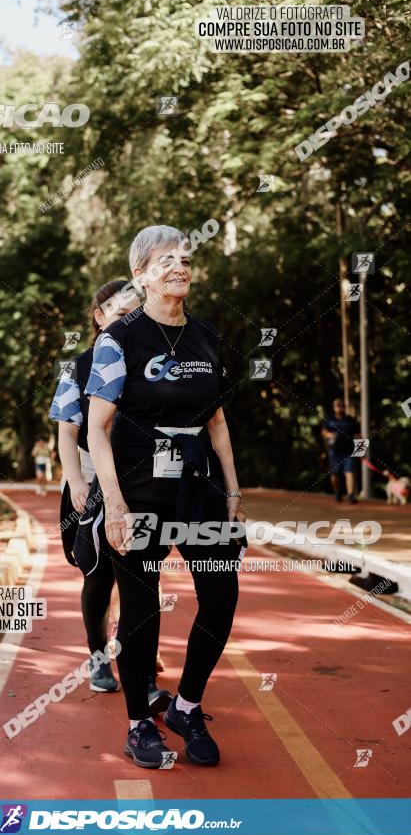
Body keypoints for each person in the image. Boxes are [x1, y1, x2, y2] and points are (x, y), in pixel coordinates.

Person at [85, 225, 246, 769]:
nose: (178, 265)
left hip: (198, 488)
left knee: (221, 597)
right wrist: (113, 502)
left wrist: (232, 484)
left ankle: (185, 706)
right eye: (164, 260)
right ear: (141, 276)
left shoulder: (206, 336)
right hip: (138, 487)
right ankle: (137, 724)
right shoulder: (118, 339)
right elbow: (96, 429)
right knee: (140, 607)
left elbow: (217, 419)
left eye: (184, 257)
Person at [49, 281, 171, 712]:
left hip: (143, 479)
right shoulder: (79, 369)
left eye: (134, 314)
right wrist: (77, 483)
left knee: (143, 576)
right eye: (118, 315)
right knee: (99, 575)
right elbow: (67, 433)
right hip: (91, 476)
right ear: (99, 317)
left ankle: (137, 662)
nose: (128, 323)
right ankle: (98, 656)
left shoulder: (154, 363)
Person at [321, 398, 361, 503]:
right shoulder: (329, 420)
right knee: (335, 476)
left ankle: (351, 495)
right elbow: (324, 432)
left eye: (342, 405)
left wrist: (361, 451)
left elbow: (358, 435)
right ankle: (338, 492)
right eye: (337, 405)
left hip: (349, 452)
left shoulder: (351, 420)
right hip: (334, 452)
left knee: (350, 472)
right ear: (334, 407)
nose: (340, 407)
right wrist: (331, 435)